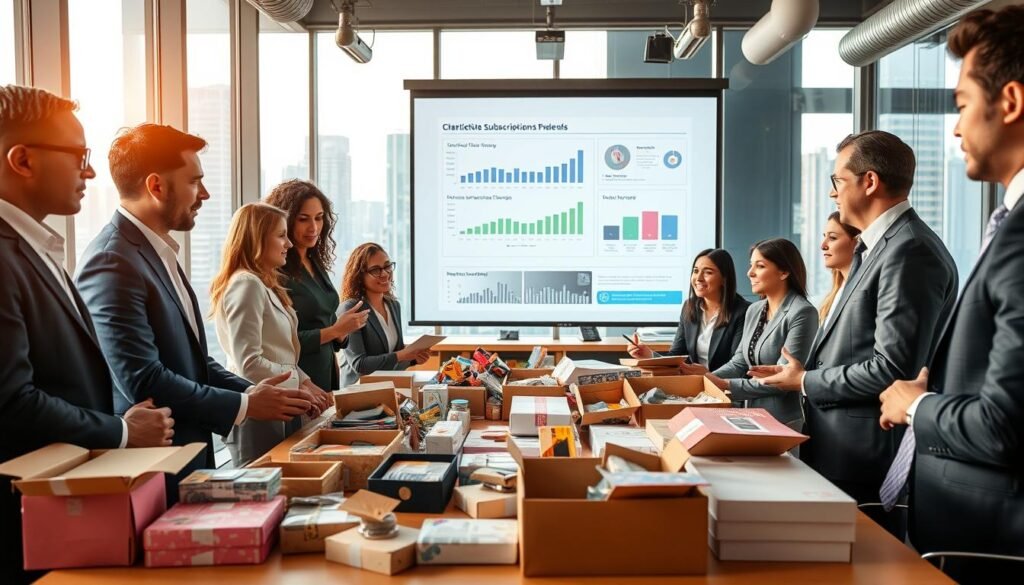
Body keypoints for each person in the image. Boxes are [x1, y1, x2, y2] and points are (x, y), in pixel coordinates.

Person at [0, 86, 172, 585]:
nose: (90, 172)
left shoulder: (32, 247)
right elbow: (12, 402)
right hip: (26, 525)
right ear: (23, 160)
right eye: (79, 156)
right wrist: (120, 431)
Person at [76, 123, 314, 479]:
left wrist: (253, 392)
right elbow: (143, 378)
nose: (204, 194)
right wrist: (246, 403)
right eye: (194, 181)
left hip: (190, 454)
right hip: (156, 465)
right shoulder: (113, 260)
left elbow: (195, 362)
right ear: (156, 186)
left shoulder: (159, 254)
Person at [878, 7, 1024, 582]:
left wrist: (913, 406)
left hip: (987, 548)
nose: (957, 128)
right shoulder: (1008, 224)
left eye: (962, 105)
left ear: (1009, 102)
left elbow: (1003, 427)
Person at [750, 130, 958, 533]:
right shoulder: (877, 249)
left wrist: (804, 379)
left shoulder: (909, 251)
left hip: (867, 459)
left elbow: (892, 368)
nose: (833, 194)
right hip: (840, 452)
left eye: (838, 182)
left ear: (870, 181)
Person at [211, 203, 332, 466]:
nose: (289, 243)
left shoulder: (265, 283)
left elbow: (282, 353)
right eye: (281, 235)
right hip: (258, 415)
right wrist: (299, 388)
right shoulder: (246, 284)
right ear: (256, 238)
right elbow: (249, 363)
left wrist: (307, 382)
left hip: (280, 409)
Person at [681, 239, 817, 429]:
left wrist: (724, 384)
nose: (750, 273)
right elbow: (739, 363)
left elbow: (783, 380)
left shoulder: (802, 312)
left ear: (784, 272)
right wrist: (706, 380)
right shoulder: (755, 309)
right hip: (748, 416)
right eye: (750, 265)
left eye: (759, 266)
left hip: (782, 420)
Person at [264, 179, 369, 390]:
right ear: (285, 220)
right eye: (303, 219)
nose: (314, 227)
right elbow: (277, 343)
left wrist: (342, 333)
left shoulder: (314, 261)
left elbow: (326, 324)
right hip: (297, 379)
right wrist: (334, 330)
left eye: (319, 218)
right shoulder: (276, 270)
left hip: (325, 374)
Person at [627, 248, 750, 371]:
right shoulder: (689, 307)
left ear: (724, 278)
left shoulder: (744, 312)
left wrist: (707, 375)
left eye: (708, 272)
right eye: (696, 271)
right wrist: (648, 355)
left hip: (723, 386)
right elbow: (676, 356)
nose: (699, 278)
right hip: (693, 382)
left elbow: (738, 366)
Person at [339, 242, 430, 387]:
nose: (385, 273)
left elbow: (394, 358)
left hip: (388, 389)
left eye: (387, 266)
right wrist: (402, 355)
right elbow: (360, 365)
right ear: (359, 275)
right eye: (375, 270)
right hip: (358, 392)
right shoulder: (351, 308)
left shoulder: (393, 305)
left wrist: (413, 358)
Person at [818, 211, 861, 328]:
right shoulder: (835, 293)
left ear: (856, 242)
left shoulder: (862, 291)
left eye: (832, 238)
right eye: (824, 237)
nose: (823, 246)